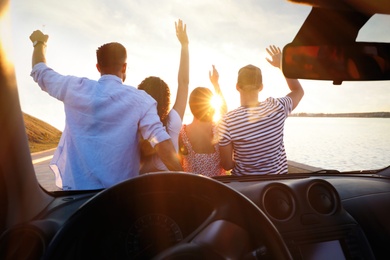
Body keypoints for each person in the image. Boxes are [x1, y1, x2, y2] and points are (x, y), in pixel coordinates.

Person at [29, 30, 182, 190]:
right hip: (119, 199)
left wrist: (39, 43)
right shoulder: (141, 100)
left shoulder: (73, 88)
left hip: (76, 200)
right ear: (124, 67)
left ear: (98, 67)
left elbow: (40, 71)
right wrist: (183, 179)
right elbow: (161, 141)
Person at [218, 45, 304, 176]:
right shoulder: (277, 107)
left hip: (243, 190)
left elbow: (227, 164)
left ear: (237, 87)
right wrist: (282, 64)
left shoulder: (227, 120)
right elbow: (298, 91)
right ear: (261, 87)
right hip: (276, 187)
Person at [137, 19, 189, 173]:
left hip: (137, 190)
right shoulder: (172, 122)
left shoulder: (133, 124)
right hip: (170, 188)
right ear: (165, 99)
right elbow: (183, 83)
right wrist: (185, 46)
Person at [179, 65, 227, 177]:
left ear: (191, 106)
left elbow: (179, 163)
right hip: (218, 188)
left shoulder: (182, 133)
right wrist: (216, 84)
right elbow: (225, 111)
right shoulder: (218, 129)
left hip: (193, 190)